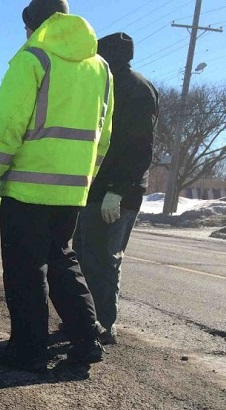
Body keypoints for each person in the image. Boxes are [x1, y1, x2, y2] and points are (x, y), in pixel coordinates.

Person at [0, 0, 113, 372]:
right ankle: (87, 340)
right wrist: (85, 178)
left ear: (33, 24)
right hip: (72, 192)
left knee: (25, 271)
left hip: (27, 190)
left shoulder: (33, 58)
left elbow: (7, 128)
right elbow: (104, 135)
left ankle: (28, 351)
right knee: (62, 262)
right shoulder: (100, 68)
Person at [73, 33, 159, 345]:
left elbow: (140, 147)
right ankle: (85, 319)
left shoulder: (134, 89)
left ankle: (102, 325)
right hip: (95, 189)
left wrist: (118, 189)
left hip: (116, 193)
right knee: (84, 254)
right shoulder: (110, 85)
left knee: (103, 260)